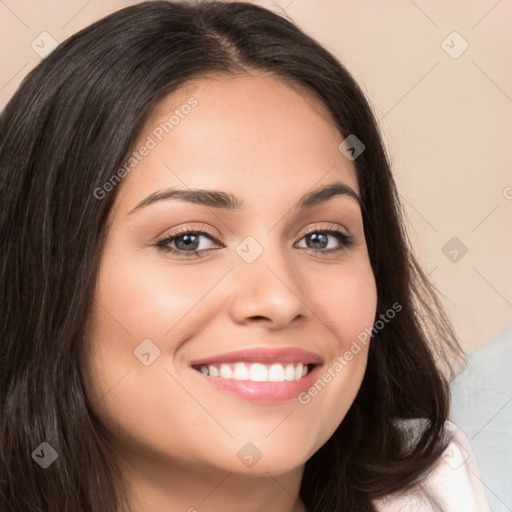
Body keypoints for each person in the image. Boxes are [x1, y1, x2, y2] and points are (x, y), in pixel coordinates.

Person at [0, 1, 492, 511]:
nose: (279, 298)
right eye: (188, 240)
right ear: (43, 277)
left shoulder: (438, 497)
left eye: (321, 238)